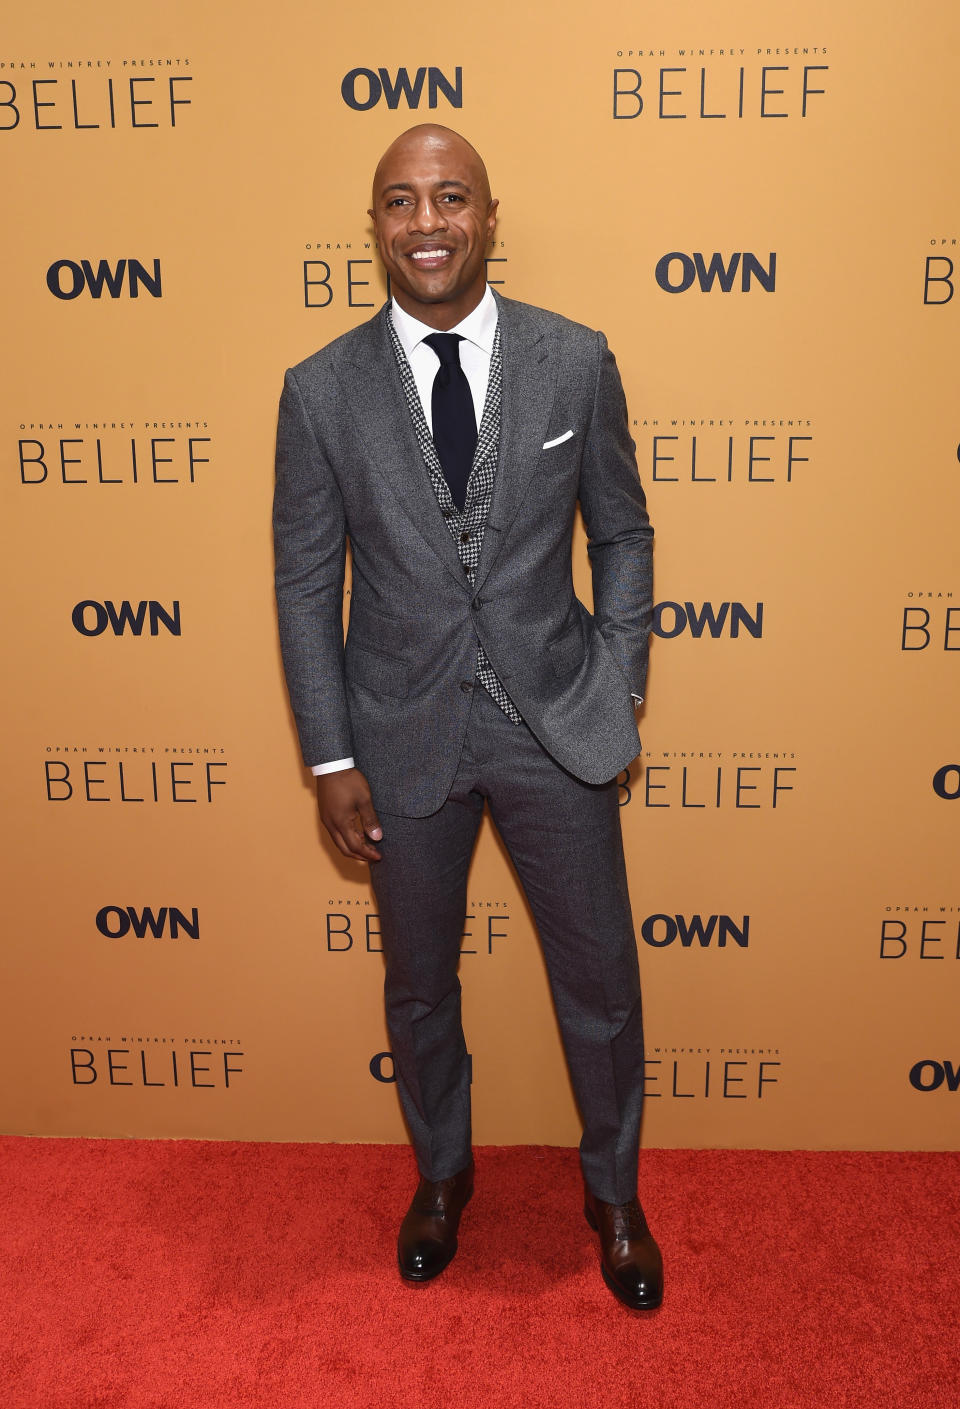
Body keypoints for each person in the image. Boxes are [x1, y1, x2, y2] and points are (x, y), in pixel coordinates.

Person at [273, 124, 662, 1310]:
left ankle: (614, 1192)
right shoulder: (319, 389)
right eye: (401, 201)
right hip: (398, 734)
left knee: (598, 978)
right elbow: (303, 580)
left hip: (557, 723)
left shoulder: (576, 360)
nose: (427, 222)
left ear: (492, 217)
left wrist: (620, 677)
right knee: (421, 985)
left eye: (451, 198)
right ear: (376, 225)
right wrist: (330, 752)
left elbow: (625, 536)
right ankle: (442, 1176)